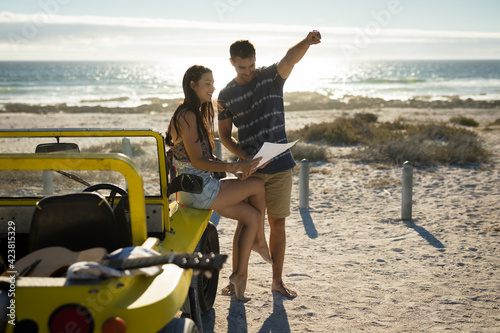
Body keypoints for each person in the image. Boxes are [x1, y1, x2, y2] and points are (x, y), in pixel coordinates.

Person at [217, 31, 322, 298]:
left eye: (251, 65)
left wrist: (307, 42)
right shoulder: (226, 94)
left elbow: (290, 59)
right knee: (245, 224)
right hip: (251, 170)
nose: (248, 71)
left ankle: (277, 281)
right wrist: (243, 157)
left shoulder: (270, 77)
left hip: (280, 166)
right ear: (232, 63)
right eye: (242, 67)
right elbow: (224, 135)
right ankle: (237, 280)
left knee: (278, 224)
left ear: (256, 61)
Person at [166, 65, 272, 300]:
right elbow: (198, 161)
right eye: (207, 83)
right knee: (256, 185)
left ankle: (238, 277)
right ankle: (261, 242)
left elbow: (205, 157)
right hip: (198, 190)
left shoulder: (194, 113)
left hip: (199, 187)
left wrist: (235, 171)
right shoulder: (187, 115)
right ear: (192, 85)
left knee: (252, 216)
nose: (213, 88)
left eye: (213, 83)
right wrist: (236, 167)